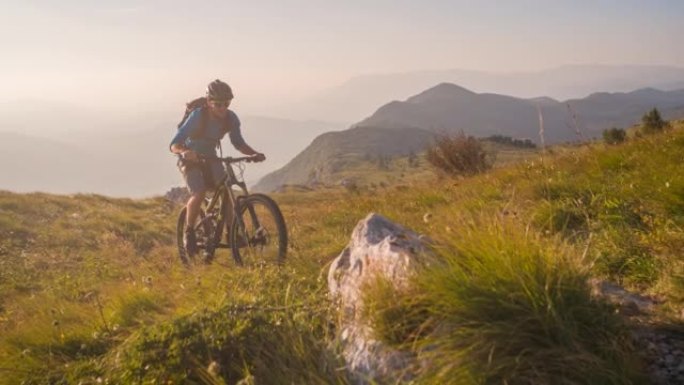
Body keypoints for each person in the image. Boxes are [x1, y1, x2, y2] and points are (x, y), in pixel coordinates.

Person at [170, 79, 265, 257]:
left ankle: (231, 234)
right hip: (190, 158)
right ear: (209, 102)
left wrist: (253, 153)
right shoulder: (198, 115)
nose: (222, 108)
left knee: (227, 192)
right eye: (218, 104)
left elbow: (238, 143)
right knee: (198, 193)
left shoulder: (231, 118)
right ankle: (189, 233)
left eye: (226, 103)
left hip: (211, 157)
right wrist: (185, 152)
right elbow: (174, 143)